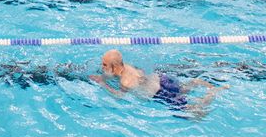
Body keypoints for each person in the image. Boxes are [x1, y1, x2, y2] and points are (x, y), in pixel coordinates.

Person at [90, 50, 228, 118]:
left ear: (114, 66)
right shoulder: (127, 66)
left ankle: (213, 93)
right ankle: (204, 84)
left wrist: (103, 84)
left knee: (194, 115)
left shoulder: (125, 82)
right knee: (184, 88)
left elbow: (119, 96)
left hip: (160, 94)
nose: (102, 66)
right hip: (163, 80)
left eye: (104, 64)